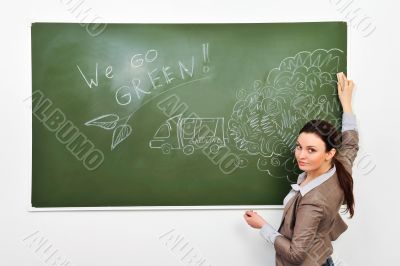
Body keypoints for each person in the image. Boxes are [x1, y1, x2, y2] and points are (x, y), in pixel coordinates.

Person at [243, 72, 359, 266]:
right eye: (299, 146)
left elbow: (296, 255)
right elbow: (351, 145)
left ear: (329, 153)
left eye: (311, 150)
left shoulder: (313, 201)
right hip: (322, 258)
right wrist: (346, 104)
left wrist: (262, 226)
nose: (301, 155)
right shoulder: (340, 167)